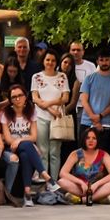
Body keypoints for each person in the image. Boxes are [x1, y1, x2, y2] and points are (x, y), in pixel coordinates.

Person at [1, 84, 51, 207]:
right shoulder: (5, 113)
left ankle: (27, 194)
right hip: (11, 149)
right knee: (29, 146)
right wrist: (21, 142)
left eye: (20, 95)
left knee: (25, 155)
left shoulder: (31, 112)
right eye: (14, 97)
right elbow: (8, 139)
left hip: (24, 147)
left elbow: (34, 137)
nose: (17, 99)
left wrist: (20, 140)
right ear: (10, 99)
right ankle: (45, 176)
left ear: (25, 96)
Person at [31, 49, 71, 181]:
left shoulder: (62, 77)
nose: (50, 62)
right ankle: (44, 181)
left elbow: (65, 98)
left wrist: (49, 103)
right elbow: (35, 98)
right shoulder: (36, 77)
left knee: (55, 152)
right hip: (41, 117)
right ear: (43, 61)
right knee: (42, 151)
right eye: (47, 59)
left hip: (57, 120)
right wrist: (51, 109)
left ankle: (54, 182)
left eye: (53, 60)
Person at [58, 126, 110, 205]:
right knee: (61, 182)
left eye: (94, 138)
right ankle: (99, 197)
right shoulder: (75, 154)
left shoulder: (104, 155)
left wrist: (97, 184)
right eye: (88, 138)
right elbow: (63, 173)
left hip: (97, 188)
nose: (91, 140)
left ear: (97, 140)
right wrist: (80, 182)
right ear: (84, 140)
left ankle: (85, 199)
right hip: (80, 187)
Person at [79, 48, 110, 153]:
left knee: (102, 154)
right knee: (84, 153)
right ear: (97, 61)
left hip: (105, 123)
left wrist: (99, 117)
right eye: (101, 60)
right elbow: (84, 100)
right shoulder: (89, 78)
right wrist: (94, 118)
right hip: (87, 121)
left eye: (106, 60)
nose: (104, 63)